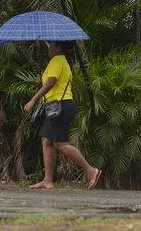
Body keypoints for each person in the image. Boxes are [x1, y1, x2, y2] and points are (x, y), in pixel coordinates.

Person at [24, 41, 102, 190]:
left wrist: (33, 100)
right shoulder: (58, 62)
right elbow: (50, 83)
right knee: (47, 141)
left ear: (59, 48)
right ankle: (47, 180)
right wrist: (41, 80)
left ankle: (91, 170)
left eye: (51, 45)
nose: (49, 48)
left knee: (60, 144)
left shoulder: (57, 60)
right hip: (55, 106)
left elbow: (51, 83)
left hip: (60, 106)